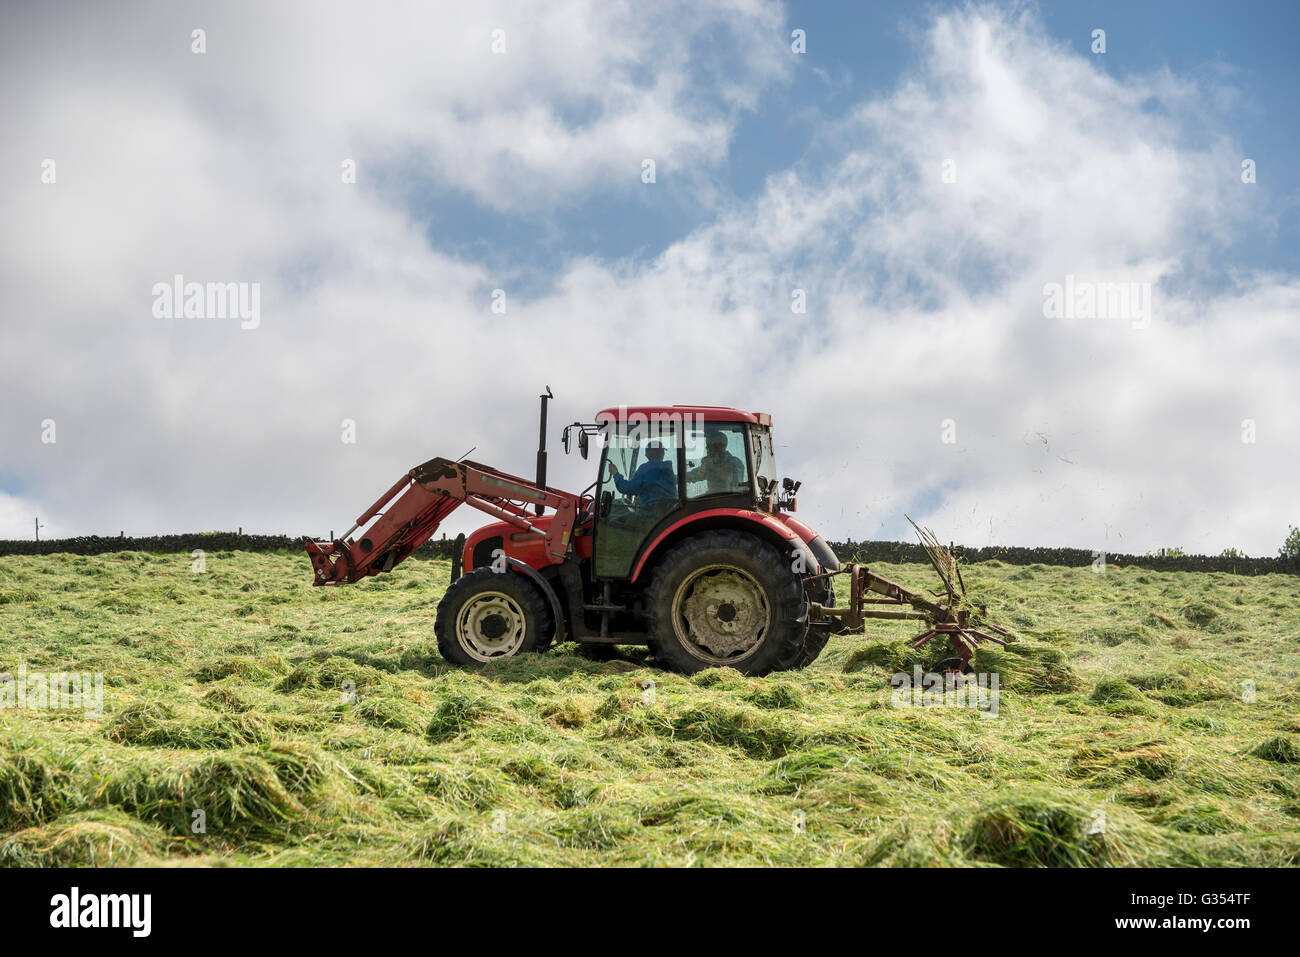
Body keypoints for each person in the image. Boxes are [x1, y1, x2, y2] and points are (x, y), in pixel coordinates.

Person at [609, 440, 676, 507]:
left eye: (646, 450)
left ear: (648, 453)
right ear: (662, 453)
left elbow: (627, 488)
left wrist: (615, 474)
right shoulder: (668, 470)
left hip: (652, 512)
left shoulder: (646, 469)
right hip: (670, 511)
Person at [686, 430, 747, 495]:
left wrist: (713, 467)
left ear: (722, 446)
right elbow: (694, 475)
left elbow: (734, 482)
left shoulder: (735, 462)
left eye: (711, 445)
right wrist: (676, 478)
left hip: (732, 498)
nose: (707, 448)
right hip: (711, 498)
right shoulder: (710, 463)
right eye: (707, 445)